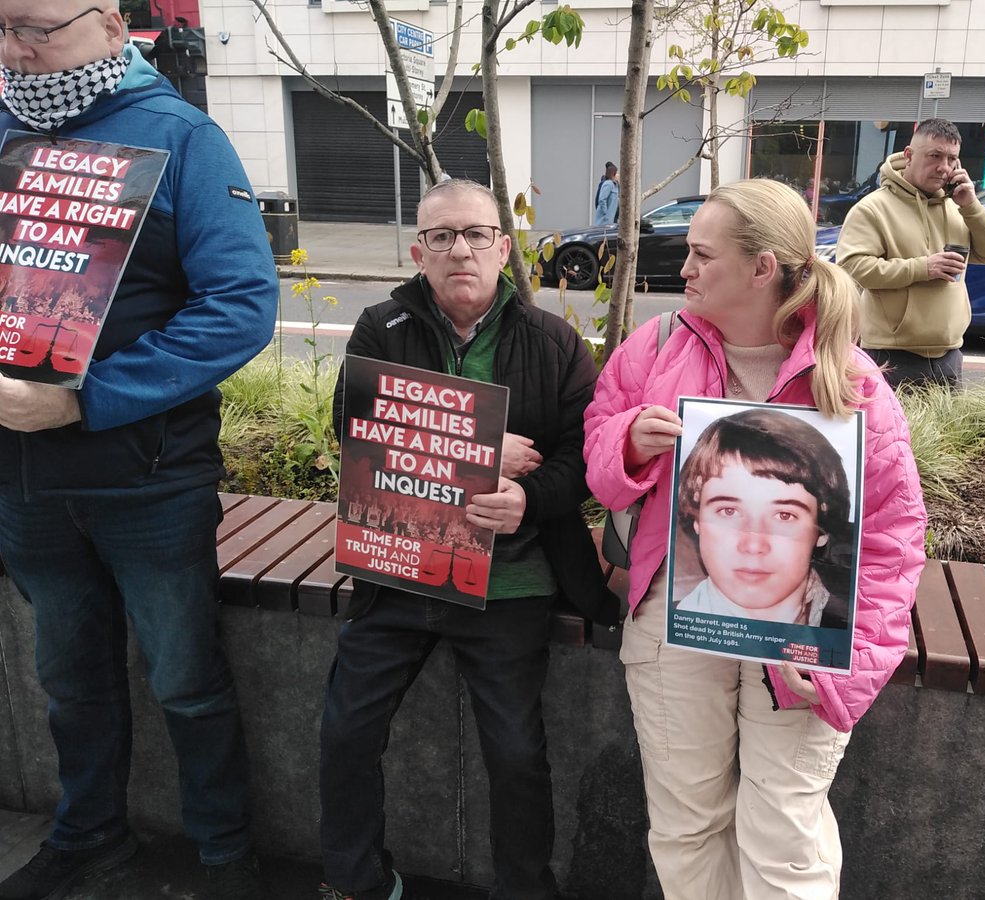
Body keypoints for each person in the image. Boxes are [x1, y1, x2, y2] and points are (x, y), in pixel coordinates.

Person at [0, 3, 279, 900]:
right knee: (66, 680)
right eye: (1, 27)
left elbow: (239, 306)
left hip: (148, 479)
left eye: (37, 26)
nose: (18, 48)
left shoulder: (183, 139)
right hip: (23, 482)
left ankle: (225, 852)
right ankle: (89, 836)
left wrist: (87, 402)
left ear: (113, 28)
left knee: (186, 681)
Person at [584, 178, 926, 899]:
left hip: (803, 640)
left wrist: (848, 667)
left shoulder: (853, 386)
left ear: (762, 267)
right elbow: (601, 463)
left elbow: (893, 541)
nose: (684, 268)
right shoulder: (655, 347)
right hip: (675, 619)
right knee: (685, 823)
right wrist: (631, 446)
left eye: (703, 255)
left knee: (784, 835)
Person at [318, 179, 618, 900]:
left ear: (504, 247)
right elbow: (355, 431)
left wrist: (527, 500)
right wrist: (482, 456)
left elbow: (584, 457)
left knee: (517, 754)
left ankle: (525, 891)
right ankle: (359, 883)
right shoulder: (379, 328)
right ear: (419, 252)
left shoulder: (554, 340)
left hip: (510, 579)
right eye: (444, 237)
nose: (461, 249)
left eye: (477, 234)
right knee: (345, 733)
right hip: (399, 565)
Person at [835, 118, 985, 389]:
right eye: (935, 156)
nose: (944, 167)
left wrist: (972, 206)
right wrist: (922, 268)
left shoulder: (958, 207)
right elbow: (851, 268)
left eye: (952, 159)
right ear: (909, 155)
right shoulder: (872, 208)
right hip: (890, 355)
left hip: (949, 354)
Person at [674, 408, 852, 629]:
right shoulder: (669, 622)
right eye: (729, 511)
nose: (753, 545)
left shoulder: (847, 629)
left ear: (822, 530)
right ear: (697, 518)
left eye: (784, 515)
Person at [593, 161, 619, 225]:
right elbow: (601, 199)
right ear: (613, 174)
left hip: (611, 218)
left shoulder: (615, 185)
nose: (618, 175)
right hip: (605, 220)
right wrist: (605, 213)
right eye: (616, 173)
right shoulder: (608, 184)